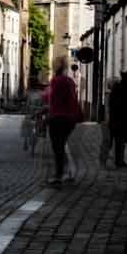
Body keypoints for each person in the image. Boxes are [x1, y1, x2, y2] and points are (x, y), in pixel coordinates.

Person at [44, 56, 85, 186]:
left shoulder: (56, 81)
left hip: (57, 118)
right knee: (61, 145)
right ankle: (68, 172)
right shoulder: (69, 81)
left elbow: (53, 100)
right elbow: (72, 99)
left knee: (57, 147)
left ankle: (59, 175)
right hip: (70, 119)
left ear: (55, 67)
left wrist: (46, 111)